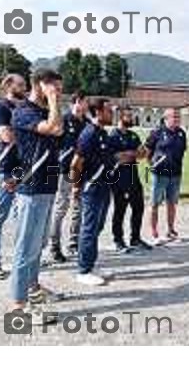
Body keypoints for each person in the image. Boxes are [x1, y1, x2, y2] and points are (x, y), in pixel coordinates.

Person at [8, 69, 63, 323]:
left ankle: (33, 290)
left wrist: (52, 103)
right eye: (55, 88)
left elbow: (58, 129)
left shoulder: (42, 111)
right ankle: (18, 308)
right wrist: (52, 100)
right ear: (41, 85)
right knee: (25, 248)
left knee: (36, 247)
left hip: (47, 186)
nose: (58, 93)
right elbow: (52, 127)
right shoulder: (24, 112)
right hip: (31, 188)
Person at [70, 98, 117, 286]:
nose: (111, 113)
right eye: (108, 110)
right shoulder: (89, 134)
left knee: (97, 227)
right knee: (89, 228)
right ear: (98, 112)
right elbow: (76, 163)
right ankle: (83, 270)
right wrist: (75, 186)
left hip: (104, 187)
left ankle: (90, 264)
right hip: (92, 188)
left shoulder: (102, 133)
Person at [0, 73, 26, 280]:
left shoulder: (23, 107)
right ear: (8, 85)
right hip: (6, 169)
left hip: (24, 169)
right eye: (21, 84)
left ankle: (21, 258)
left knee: (22, 217)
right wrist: (30, 134)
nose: (24, 87)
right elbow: (6, 135)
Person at [47, 90, 89, 263]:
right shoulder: (64, 120)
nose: (85, 106)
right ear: (76, 102)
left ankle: (73, 244)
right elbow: (53, 144)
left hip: (82, 170)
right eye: (83, 102)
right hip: (65, 170)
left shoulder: (87, 123)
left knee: (78, 207)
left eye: (85, 103)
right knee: (61, 207)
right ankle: (54, 246)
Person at [109, 105, 151, 253]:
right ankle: (118, 240)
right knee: (120, 210)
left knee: (138, 208)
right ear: (120, 118)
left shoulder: (133, 135)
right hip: (119, 179)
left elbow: (143, 154)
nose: (131, 118)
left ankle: (135, 238)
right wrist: (132, 154)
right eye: (128, 115)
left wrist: (129, 154)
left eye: (131, 115)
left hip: (133, 177)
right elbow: (116, 158)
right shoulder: (113, 136)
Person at [145, 108, 187, 245]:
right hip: (159, 174)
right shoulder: (157, 132)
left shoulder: (181, 133)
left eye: (178, 116)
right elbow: (147, 151)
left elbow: (182, 151)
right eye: (173, 116)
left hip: (175, 174)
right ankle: (154, 233)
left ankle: (170, 230)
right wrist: (151, 164)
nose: (176, 119)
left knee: (172, 203)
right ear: (165, 118)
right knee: (155, 203)